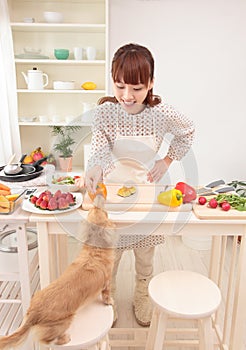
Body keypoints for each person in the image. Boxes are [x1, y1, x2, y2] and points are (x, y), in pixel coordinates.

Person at [78, 43, 195, 326]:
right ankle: (111, 294)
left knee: (145, 253)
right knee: (111, 254)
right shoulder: (106, 112)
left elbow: (188, 131)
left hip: (146, 194)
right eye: (119, 86)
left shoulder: (162, 113)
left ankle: (142, 293)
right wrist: (95, 166)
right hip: (113, 194)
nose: (126, 96)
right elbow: (99, 146)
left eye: (136, 88)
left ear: (151, 83)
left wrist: (166, 161)